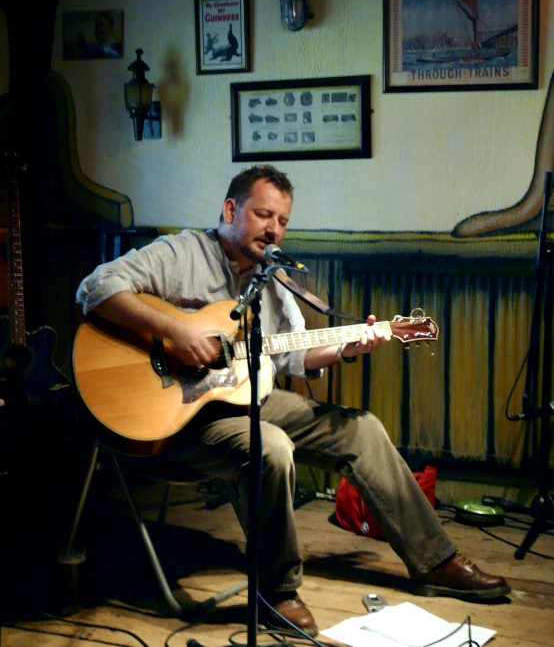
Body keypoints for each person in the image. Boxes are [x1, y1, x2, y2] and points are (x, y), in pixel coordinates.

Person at [76, 165, 510, 636]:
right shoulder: (181, 253)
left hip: (243, 402)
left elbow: (294, 352)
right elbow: (94, 288)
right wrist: (175, 331)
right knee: (272, 447)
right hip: (176, 419)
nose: (274, 229)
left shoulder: (274, 277)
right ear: (229, 210)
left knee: (359, 427)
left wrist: (348, 345)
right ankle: (277, 590)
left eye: (282, 220)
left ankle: (435, 560)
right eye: (263, 214)